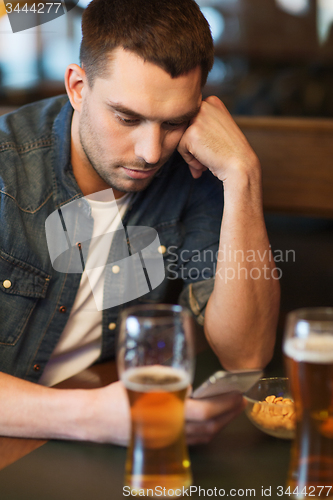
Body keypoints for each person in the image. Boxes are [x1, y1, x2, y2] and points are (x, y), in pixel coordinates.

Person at [0, 0, 280, 445]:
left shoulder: (195, 174)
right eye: (127, 118)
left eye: (175, 122)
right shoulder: (7, 170)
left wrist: (243, 175)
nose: (151, 151)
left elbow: (245, 354)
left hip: (91, 451)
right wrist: (92, 415)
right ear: (77, 86)